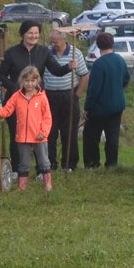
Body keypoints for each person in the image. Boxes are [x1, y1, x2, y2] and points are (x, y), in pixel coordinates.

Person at [0, 20, 70, 162]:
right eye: (30, 33)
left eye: (36, 33)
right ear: (23, 34)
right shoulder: (11, 53)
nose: (33, 36)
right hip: (16, 100)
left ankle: (41, 169)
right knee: (16, 134)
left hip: (37, 101)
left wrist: (68, 67)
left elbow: (56, 70)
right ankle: (17, 168)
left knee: (38, 133)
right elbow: (0, 75)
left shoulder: (44, 52)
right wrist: (15, 87)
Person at [0, 65, 54, 191]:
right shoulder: (17, 96)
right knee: (23, 163)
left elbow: (47, 117)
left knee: (43, 161)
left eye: (32, 81)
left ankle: (48, 184)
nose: (29, 84)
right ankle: (22, 186)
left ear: (37, 81)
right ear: (22, 81)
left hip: (39, 136)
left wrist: (44, 132)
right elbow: (7, 110)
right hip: (23, 136)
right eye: (27, 81)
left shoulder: (42, 97)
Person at [44, 27, 89, 171]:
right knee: (49, 131)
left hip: (68, 95)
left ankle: (69, 164)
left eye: (55, 41)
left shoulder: (76, 53)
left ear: (64, 39)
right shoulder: (46, 53)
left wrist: (76, 96)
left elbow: (84, 75)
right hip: (49, 96)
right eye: (51, 42)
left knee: (69, 131)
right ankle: (50, 163)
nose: (53, 44)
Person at [83, 31, 129, 168]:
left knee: (91, 135)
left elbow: (94, 89)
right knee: (112, 136)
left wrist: (87, 107)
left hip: (100, 107)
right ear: (113, 44)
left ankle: (92, 162)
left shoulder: (99, 64)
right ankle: (111, 162)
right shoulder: (120, 59)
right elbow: (126, 78)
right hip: (118, 104)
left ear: (98, 45)